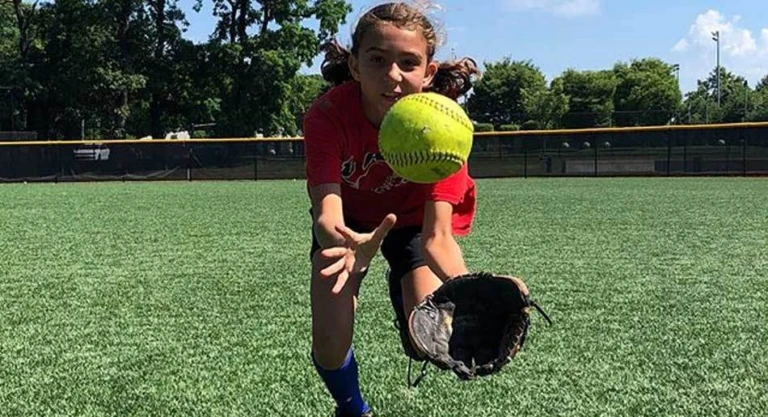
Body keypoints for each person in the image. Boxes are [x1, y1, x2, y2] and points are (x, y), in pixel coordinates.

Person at [303, 2, 481, 416]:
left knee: (431, 338)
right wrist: (353, 252)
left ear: (429, 73)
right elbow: (327, 212)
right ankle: (352, 408)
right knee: (330, 344)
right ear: (354, 65)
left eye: (408, 62)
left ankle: (405, 298)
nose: (393, 76)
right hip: (348, 226)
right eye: (377, 60)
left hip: (412, 222)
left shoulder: (447, 130)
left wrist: (471, 292)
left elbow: (437, 237)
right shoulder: (327, 115)